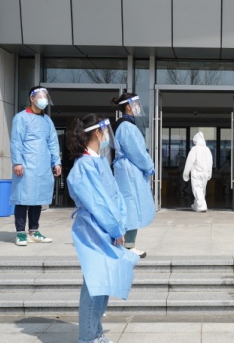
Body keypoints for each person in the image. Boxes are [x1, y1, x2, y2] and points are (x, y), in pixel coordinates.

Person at [66, 114, 139, 343]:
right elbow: (97, 202)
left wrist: (120, 224)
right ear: (98, 132)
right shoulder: (84, 165)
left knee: (103, 283)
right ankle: (88, 337)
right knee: (95, 283)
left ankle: (96, 333)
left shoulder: (98, 161)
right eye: (106, 130)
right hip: (94, 229)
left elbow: (114, 195)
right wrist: (115, 227)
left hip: (107, 228)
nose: (108, 135)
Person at [10, 86, 61, 247]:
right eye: (41, 97)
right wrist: (17, 162)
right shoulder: (21, 117)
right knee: (23, 198)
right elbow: (16, 141)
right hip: (26, 164)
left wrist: (56, 161)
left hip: (43, 165)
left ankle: (33, 231)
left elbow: (53, 142)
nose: (44, 100)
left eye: (46, 97)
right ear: (32, 99)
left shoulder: (47, 120)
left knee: (37, 198)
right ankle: (20, 233)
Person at [111, 94, 155, 258]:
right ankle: (128, 245)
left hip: (126, 170)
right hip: (130, 171)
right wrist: (149, 166)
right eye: (135, 104)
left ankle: (125, 244)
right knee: (131, 207)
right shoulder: (127, 127)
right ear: (128, 106)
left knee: (128, 206)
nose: (138, 106)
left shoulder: (124, 125)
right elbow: (137, 152)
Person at [183, 131, 213, 212]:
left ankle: (202, 206)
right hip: (205, 173)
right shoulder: (207, 150)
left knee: (197, 189)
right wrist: (209, 173)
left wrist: (186, 174)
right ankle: (196, 205)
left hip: (196, 172)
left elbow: (189, 162)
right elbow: (210, 162)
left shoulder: (194, 149)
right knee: (202, 190)